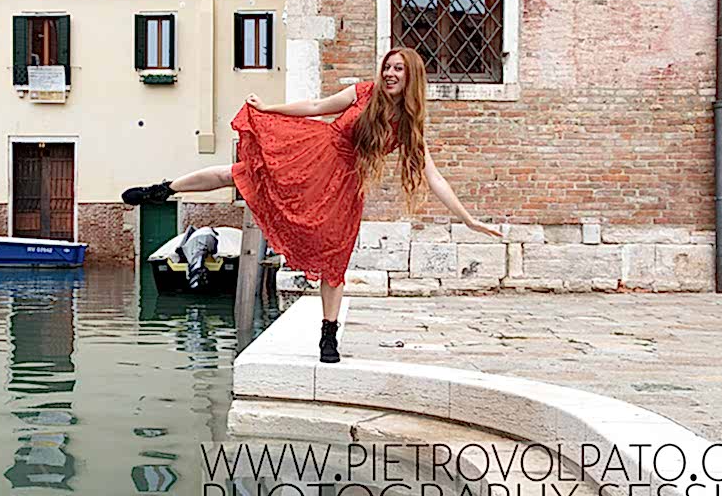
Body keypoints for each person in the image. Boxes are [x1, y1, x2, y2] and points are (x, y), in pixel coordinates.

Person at [122, 47, 502, 363]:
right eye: (387, 66)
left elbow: (434, 178)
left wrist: (467, 220)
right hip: (311, 154)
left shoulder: (408, 126)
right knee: (237, 174)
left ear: (411, 77)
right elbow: (317, 106)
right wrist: (270, 109)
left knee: (335, 261)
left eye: (398, 69)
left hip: (343, 187)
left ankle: (328, 336)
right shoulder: (364, 92)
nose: (389, 73)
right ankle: (162, 189)